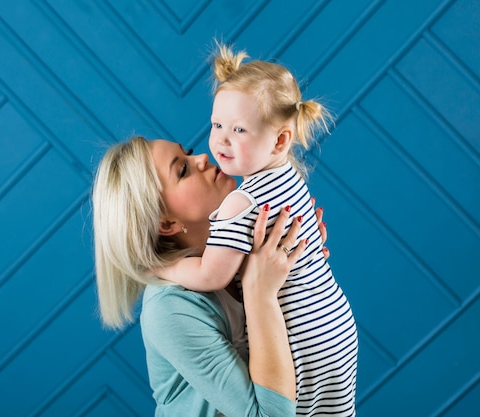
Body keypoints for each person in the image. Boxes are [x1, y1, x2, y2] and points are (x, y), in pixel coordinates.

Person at [154, 43, 358, 416]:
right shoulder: (292, 178)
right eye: (217, 125)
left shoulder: (241, 203)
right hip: (337, 325)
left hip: (302, 338)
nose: (213, 145)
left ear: (280, 140)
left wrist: (157, 267)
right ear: (165, 223)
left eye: (239, 129)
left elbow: (212, 273)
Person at [92, 136, 319, 416]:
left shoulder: (243, 252)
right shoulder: (169, 309)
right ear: (166, 223)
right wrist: (261, 293)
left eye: (187, 153)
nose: (200, 158)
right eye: (183, 170)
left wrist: (299, 268)